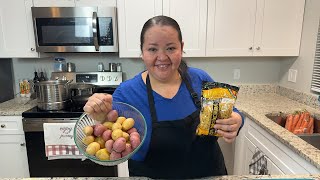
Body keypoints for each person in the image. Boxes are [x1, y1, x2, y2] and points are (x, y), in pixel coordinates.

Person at [84, 15, 244, 179]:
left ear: (181, 48)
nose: (162, 57)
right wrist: (100, 117)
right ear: (142, 52)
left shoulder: (199, 79)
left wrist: (236, 120)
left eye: (170, 48)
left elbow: (232, 113)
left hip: (209, 175)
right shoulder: (127, 93)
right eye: (152, 49)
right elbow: (108, 144)